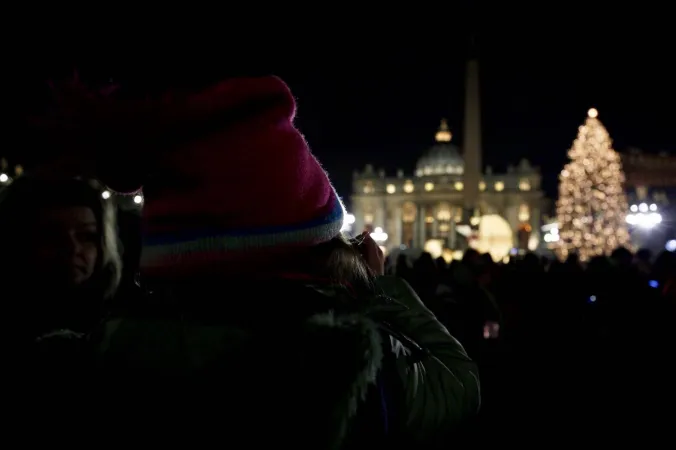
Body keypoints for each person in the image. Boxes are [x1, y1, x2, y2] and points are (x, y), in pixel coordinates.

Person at [38, 75, 480, 448]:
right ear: (312, 253)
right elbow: (458, 382)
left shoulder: (86, 361)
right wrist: (380, 288)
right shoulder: (350, 363)